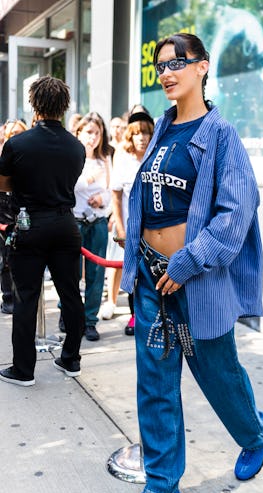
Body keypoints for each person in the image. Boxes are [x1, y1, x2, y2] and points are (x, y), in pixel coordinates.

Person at [112, 33, 263, 493]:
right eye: (160, 65)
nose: (167, 71)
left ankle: (254, 434)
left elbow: (234, 213)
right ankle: (161, 488)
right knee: (155, 384)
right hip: (152, 282)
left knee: (218, 375)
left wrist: (187, 262)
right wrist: (139, 257)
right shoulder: (160, 132)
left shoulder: (221, 134)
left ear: (203, 67)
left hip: (197, 281)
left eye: (178, 62)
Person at [0, 75, 86, 386]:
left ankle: (24, 370)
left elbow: (3, 184)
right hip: (65, 224)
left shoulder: (18, 143)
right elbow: (69, 181)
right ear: (64, 106)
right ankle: (71, 358)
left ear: (34, 104)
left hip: (30, 224)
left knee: (26, 297)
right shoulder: (76, 147)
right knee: (71, 294)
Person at [101, 110, 154, 336]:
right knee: (132, 275)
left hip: (155, 229)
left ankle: (153, 316)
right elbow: (115, 196)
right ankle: (134, 316)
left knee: (152, 274)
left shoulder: (156, 157)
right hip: (130, 229)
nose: (142, 137)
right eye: (137, 133)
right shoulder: (123, 159)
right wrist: (121, 228)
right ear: (130, 136)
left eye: (146, 133)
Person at [72, 112, 112, 341]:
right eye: (89, 132)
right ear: (79, 132)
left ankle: (90, 321)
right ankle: (68, 313)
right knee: (71, 272)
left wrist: (102, 199)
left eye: (97, 133)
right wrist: (86, 181)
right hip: (74, 221)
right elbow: (66, 187)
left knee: (96, 274)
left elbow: (111, 190)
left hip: (97, 221)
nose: (93, 137)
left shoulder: (104, 158)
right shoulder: (71, 156)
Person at [0, 119, 29, 315]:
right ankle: (8, 297)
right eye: (12, 133)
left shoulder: (30, 159)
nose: (16, 136)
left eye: (20, 132)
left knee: (21, 261)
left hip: (23, 218)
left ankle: (20, 297)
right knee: (5, 261)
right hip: (2, 217)